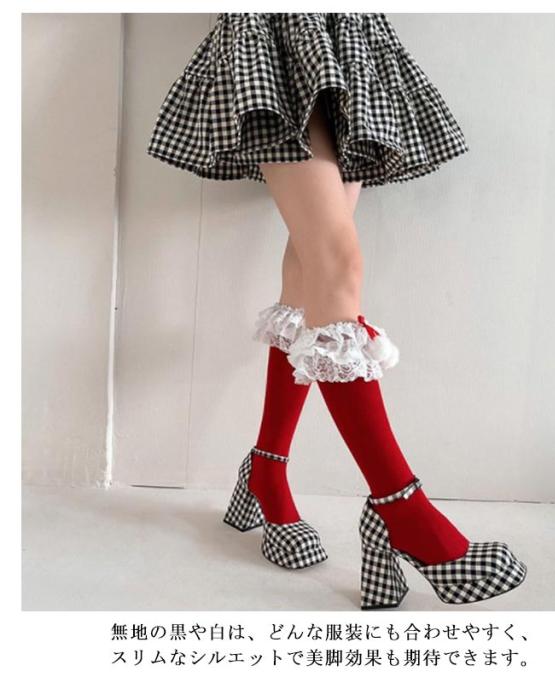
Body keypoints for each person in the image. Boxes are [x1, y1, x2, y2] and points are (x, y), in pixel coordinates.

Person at [147, 12, 526, 609]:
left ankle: (266, 471)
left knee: (309, 268)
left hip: (346, 36)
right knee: (336, 264)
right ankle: (401, 510)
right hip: (275, 31)